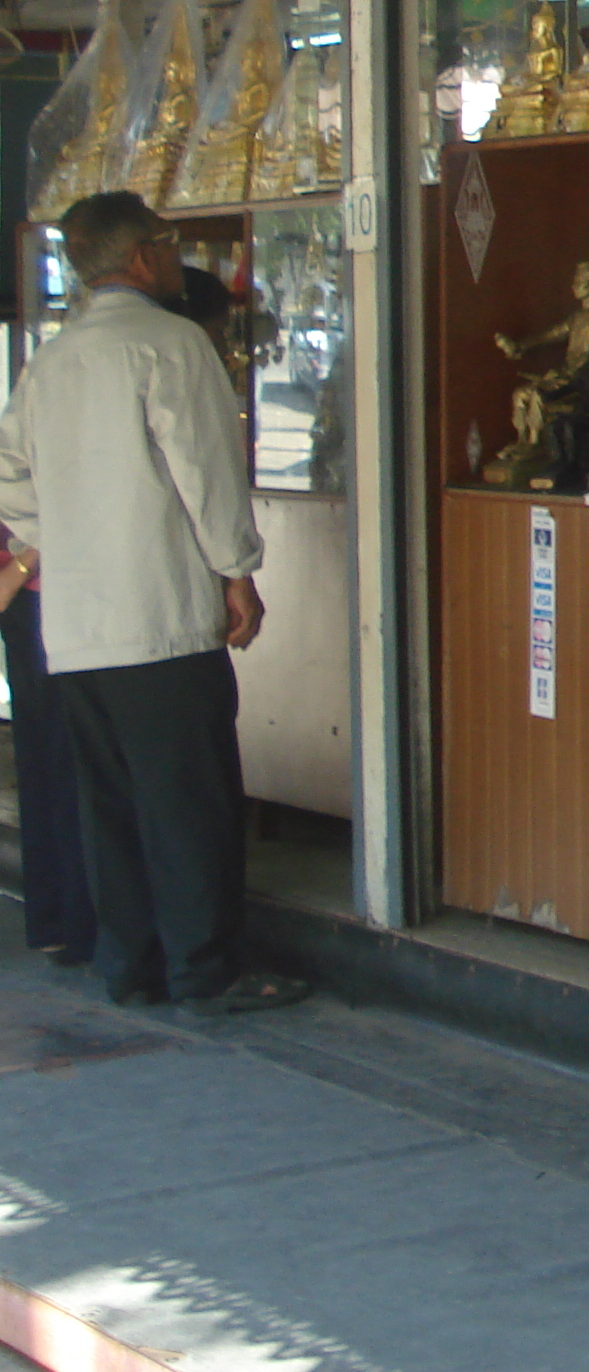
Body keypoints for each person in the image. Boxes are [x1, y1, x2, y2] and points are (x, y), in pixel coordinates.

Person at [0, 194, 306, 1017]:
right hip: (159, 620)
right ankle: (206, 971)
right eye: (169, 246)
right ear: (142, 258)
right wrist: (236, 570)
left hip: (73, 625)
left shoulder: (48, 362)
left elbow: (10, 479)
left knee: (114, 806)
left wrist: (59, 542)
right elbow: (205, 471)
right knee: (190, 805)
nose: (176, 259)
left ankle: (129, 964)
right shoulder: (169, 345)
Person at [0, 542, 93, 965]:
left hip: (27, 588)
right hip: (42, 586)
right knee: (65, 762)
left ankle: (58, 920)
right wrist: (22, 566)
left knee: (46, 760)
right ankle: (74, 920)